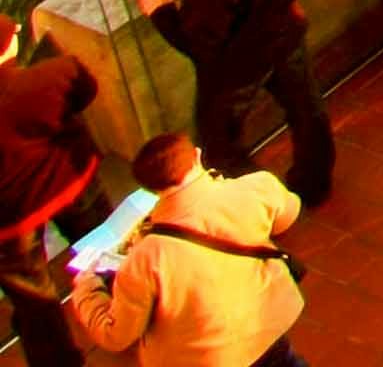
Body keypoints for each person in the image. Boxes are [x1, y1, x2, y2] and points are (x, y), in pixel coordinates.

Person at [108, 0, 327, 212]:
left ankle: (263, 206)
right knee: (306, 108)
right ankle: (315, 184)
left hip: (243, 59)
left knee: (219, 143)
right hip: (286, 31)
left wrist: (160, 11)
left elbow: (199, 45)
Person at [61, 132, 302, 367]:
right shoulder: (257, 187)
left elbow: (115, 335)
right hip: (266, 323)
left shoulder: (145, 257)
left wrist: (86, 289)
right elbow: (287, 217)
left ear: (151, 189)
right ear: (197, 156)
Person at [0, 38, 104, 367]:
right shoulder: (49, 76)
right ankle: (131, 308)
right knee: (104, 247)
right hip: (69, 182)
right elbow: (86, 89)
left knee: (35, 301)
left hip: (9, 220)